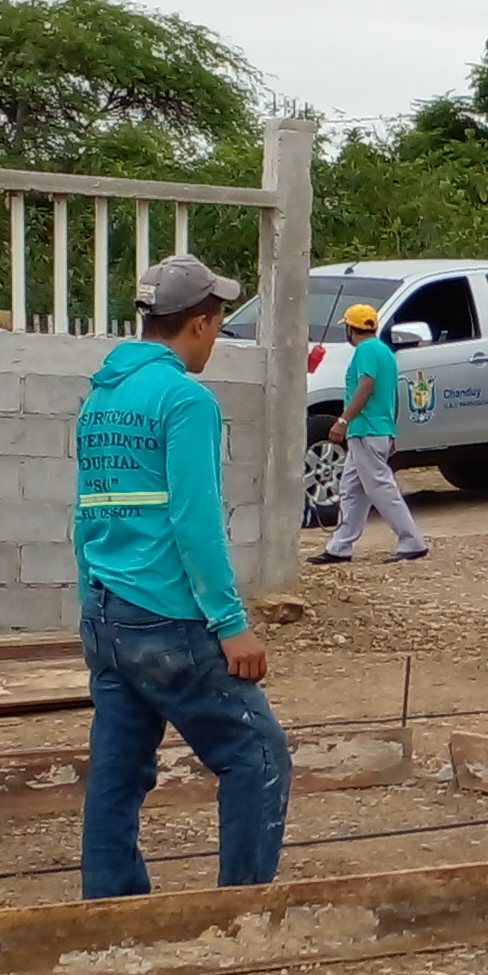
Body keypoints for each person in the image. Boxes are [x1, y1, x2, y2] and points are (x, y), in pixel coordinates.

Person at [71, 254, 290, 898]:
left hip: (107, 613)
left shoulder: (102, 397)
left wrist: (91, 600)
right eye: (218, 323)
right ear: (200, 323)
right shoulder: (185, 400)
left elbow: (86, 513)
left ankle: (109, 910)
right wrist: (231, 624)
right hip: (167, 618)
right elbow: (195, 524)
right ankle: (239, 909)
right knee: (257, 754)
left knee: (117, 772)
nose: (216, 336)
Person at [312, 302, 429, 566]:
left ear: (350, 329)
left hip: (366, 429)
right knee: (351, 489)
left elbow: (365, 387)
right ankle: (340, 546)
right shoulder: (385, 352)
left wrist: (343, 420)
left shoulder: (365, 350)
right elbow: (392, 395)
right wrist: (392, 431)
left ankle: (412, 541)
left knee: (380, 487)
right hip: (375, 430)